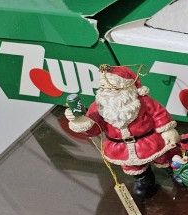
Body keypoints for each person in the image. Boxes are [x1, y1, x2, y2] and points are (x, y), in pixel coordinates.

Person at [65, 65, 178, 197]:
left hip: (149, 141)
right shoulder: (98, 107)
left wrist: (167, 130)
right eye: (104, 87)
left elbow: (158, 113)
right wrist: (82, 122)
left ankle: (175, 171)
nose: (108, 91)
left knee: (163, 156)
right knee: (133, 166)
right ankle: (143, 179)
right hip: (120, 147)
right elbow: (95, 129)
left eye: (113, 87)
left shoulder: (142, 101)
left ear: (126, 86)